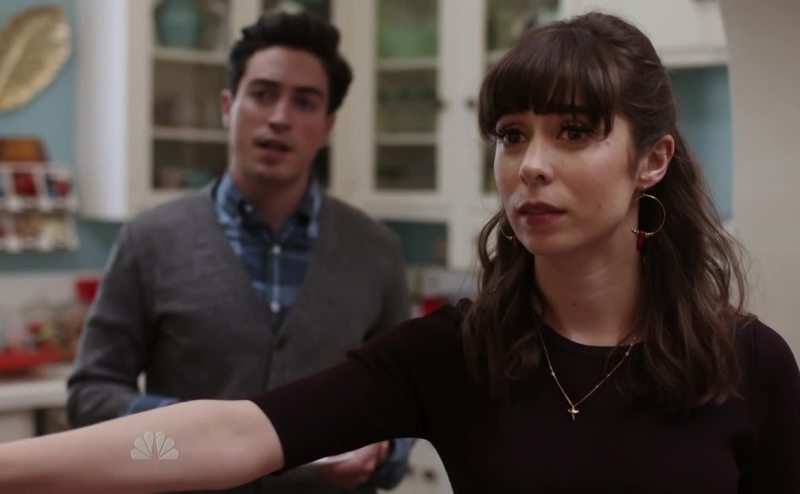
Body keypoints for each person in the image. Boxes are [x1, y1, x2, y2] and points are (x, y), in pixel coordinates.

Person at [2, 11, 799, 493]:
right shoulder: (459, 352)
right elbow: (234, 436)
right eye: (511, 135)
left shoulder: (751, 363)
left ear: (652, 160)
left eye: (574, 132)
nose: (530, 165)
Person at [64, 11, 413, 494]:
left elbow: (406, 402)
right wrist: (183, 430)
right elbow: (89, 395)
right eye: (263, 94)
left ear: (328, 125)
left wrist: (383, 450)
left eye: (305, 102)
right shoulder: (149, 239)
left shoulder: (377, 251)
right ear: (228, 107)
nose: (279, 118)